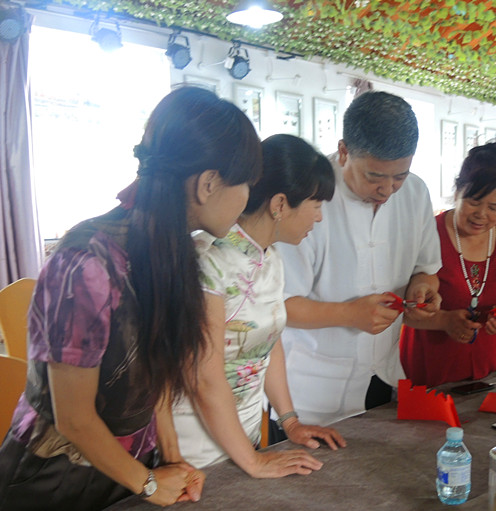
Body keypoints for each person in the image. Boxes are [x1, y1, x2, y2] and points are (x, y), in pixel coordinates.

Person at [0, 86, 262, 510]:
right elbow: (74, 419)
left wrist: (171, 458)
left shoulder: (172, 249)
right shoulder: (85, 263)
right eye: (247, 183)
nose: (248, 197)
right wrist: (150, 485)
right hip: (58, 477)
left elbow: (156, 372)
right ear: (209, 184)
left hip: (129, 468)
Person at [167, 134, 347, 477]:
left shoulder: (272, 259)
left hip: (244, 436)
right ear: (279, 204)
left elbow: (268, 341)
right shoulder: (209, 259)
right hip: (196, 443)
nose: (319, 218)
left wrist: (290, 421)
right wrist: (252, 461)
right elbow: (203, 376)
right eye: (316, 204)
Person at [277, 91, 442, 426]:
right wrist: (347, 313)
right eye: (374, 177)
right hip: (310, 394)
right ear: (343, 152)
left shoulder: (415, 193)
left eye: (400, 175)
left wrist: (423, 288)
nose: (388, 189)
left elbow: (426, 269)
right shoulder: (307, 197)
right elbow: (278, 305)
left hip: (384, 377)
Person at [400, 143, 496, 387]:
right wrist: (444, 321)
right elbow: (406, 311)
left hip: (487, 375)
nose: (482, 215)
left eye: (495, 207)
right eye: (474, 202)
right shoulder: (428, 233)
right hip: (427, 375)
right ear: (457, 192)